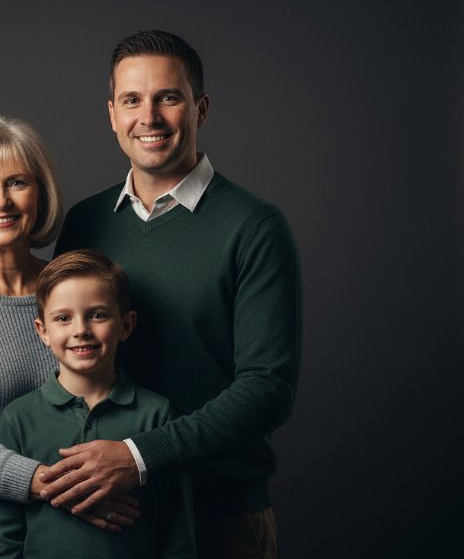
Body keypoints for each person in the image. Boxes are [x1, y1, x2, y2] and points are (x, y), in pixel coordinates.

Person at [51, 30, 301, 559]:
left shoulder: (254, 227)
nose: (150, 117)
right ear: (112, 113)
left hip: (221, 516)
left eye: (168, 97)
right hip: (105, 513)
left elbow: (267, 388)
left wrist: (139, 456)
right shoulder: (85, 222)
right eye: (131, 100)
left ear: (200, 108)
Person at [0, 116, 134, 559]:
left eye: (16, 183)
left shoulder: (70, 289)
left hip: (92, 530)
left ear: (40, 194)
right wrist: (46, 483)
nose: (1, 201)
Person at [0, 249, 195, 559]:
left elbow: (177, 532)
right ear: (43, 332)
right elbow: (5, 537)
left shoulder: (157, 413)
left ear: (125, 325)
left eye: (97, 314)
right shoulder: (19, 417)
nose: (80, 330)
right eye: (63, 318)